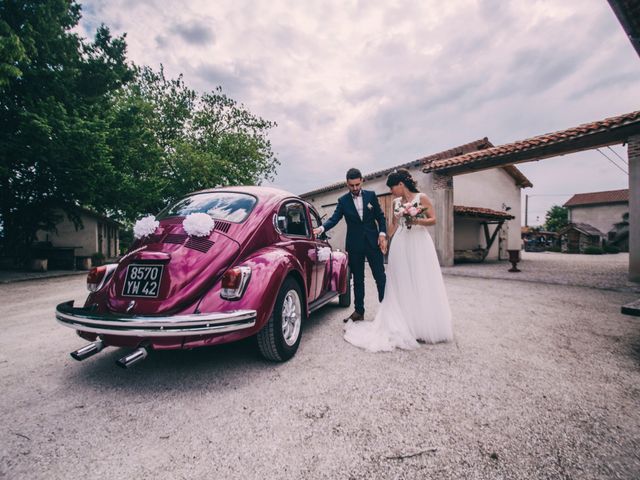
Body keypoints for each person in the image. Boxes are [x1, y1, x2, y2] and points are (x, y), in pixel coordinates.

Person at [343, 168, 453, 351]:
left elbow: (433, 219)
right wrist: (385, 238)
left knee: (420, 279)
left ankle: (423, 324)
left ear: (401, 184)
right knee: (401, 281)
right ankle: (405, 322)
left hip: (419, 242)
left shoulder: (422, 198)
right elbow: (394, 224)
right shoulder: (395, 202)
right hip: (401, 242)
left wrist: (416, 220)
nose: (391, 191)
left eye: (392, 187)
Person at [313, 168, 387, 322]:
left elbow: (380, 217)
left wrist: (382, 234)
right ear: (347, 183)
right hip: (355, 245)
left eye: (357, 185)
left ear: (362, 181)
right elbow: (334, 219)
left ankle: (387, 310)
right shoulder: (343, 201)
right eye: (351, 185)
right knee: (358, 280)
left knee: (380, 276)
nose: (355, 188)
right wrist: (321, 228)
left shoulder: (371, 196)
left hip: (373, 242)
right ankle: (359, 311)